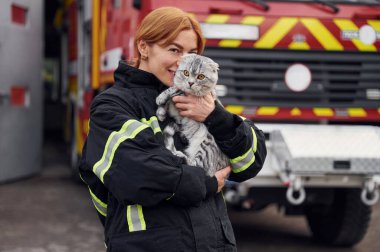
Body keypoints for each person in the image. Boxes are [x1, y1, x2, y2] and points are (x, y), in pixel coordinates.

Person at [79, 6, 267, 252]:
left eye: (192, 53)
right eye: (174, 50)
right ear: (144, 47)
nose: (184, 62)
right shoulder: (112, 105)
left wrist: (216, 117)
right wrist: (208, 183)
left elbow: (249, 162)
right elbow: (140, 172)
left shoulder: (202, 104)